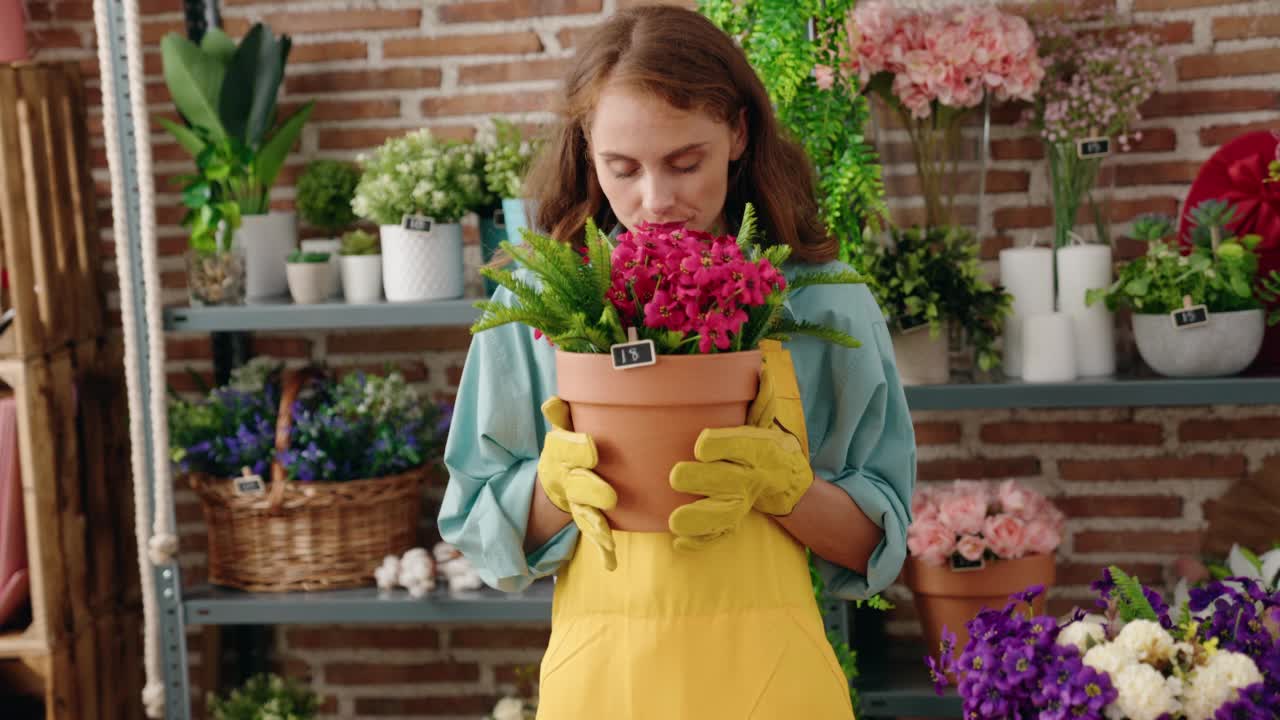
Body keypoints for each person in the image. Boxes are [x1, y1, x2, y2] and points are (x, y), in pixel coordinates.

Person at [439, 5, 915, 718]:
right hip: (605, 685)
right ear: (586, 150)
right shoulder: (540, 304)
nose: (655, 201)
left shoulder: (826, 305)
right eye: (622, 168)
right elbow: (479, 528)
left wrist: (789, 490)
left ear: (738, 133)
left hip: (773, 685)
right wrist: (553, 490)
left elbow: (878, 547)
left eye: (684, 162)